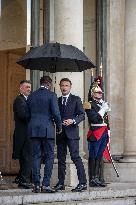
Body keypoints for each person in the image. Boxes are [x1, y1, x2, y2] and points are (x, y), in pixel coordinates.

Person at [27, 76, 62, 193]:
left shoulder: (31, 95)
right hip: (47, 130)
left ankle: (36, 185)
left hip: (33, 129)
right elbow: (56, 113)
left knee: (36, 156)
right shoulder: (52, 95)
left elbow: (27, 114)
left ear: (40, 83)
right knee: (49, 156)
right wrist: (59, 126)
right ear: (49, 84)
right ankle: (46, 184)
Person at [54, 78, 87, 192]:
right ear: (59, 86)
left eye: (66, 85)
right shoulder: (57, 100)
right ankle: (61, 183)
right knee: (61, 159)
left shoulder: (76, 99)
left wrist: (72, 120)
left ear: (70, 87)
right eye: (62, 85)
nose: (64, 87)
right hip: (60, 133)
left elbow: (82, 115)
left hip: (72, 133)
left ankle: (82, 183)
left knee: (75, 157)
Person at [83, 82, 110, 187]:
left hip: (103, 132)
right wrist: (103, 109)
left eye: (101, 92)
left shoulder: (102, 103)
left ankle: (98, 177)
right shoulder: (89, 104)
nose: (100, 94)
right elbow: (94, 118)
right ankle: (92, 178)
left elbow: (106, 120)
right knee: (93, 155)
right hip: (95, 132)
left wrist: (108, 130)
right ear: (92, 93)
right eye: (98, 92)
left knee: (99, 156)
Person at [12, 80, 32, 189]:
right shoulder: (19, 100)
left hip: (26, 134)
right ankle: (24, 180)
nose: (29, 89)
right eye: (26, 87)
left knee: (26, 156)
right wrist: (34, 112)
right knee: (26, 157)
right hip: (23, 134)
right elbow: (22, 115)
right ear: (21, 88)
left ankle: (21, 177)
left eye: (29, 87)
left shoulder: (26, 100)